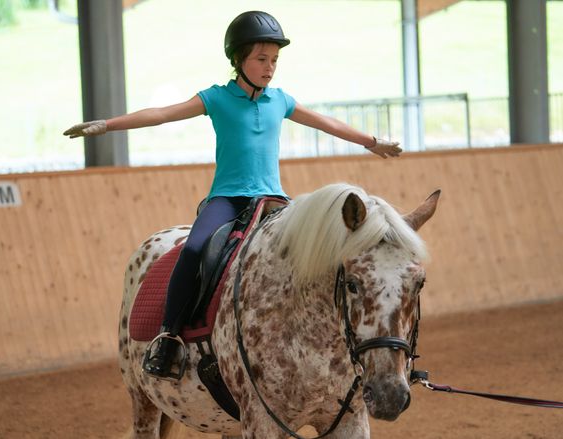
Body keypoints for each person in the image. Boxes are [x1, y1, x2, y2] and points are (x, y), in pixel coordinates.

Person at [64, 10, 402, 379]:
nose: (270, 67)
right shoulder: (216, 98)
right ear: (238, 60)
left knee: (316, 257)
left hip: (274, 201)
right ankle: (169, 337)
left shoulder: (280, 101)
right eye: (261, 59)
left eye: (274, 60)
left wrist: (372, 142)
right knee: (193, 250)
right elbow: (163, 114)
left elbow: (328, 123)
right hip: (228, 199)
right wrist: (107, 126)